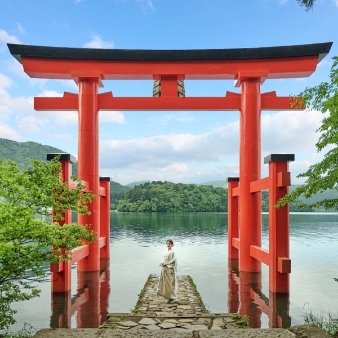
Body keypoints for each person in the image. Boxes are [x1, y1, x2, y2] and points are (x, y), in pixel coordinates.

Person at [157, 239, 178, 303]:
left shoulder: (172, 252)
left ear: (171, 244)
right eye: (167, 243)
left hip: (170, 269)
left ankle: (173, 297)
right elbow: (163, 258)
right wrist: (162, 263)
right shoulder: (166, 251)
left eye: (169, 243)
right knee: (166, 283)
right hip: (165, 268)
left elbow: (173, 260)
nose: (168, 244)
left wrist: (167, 264)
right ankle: (169, 297)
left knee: (171, 283)